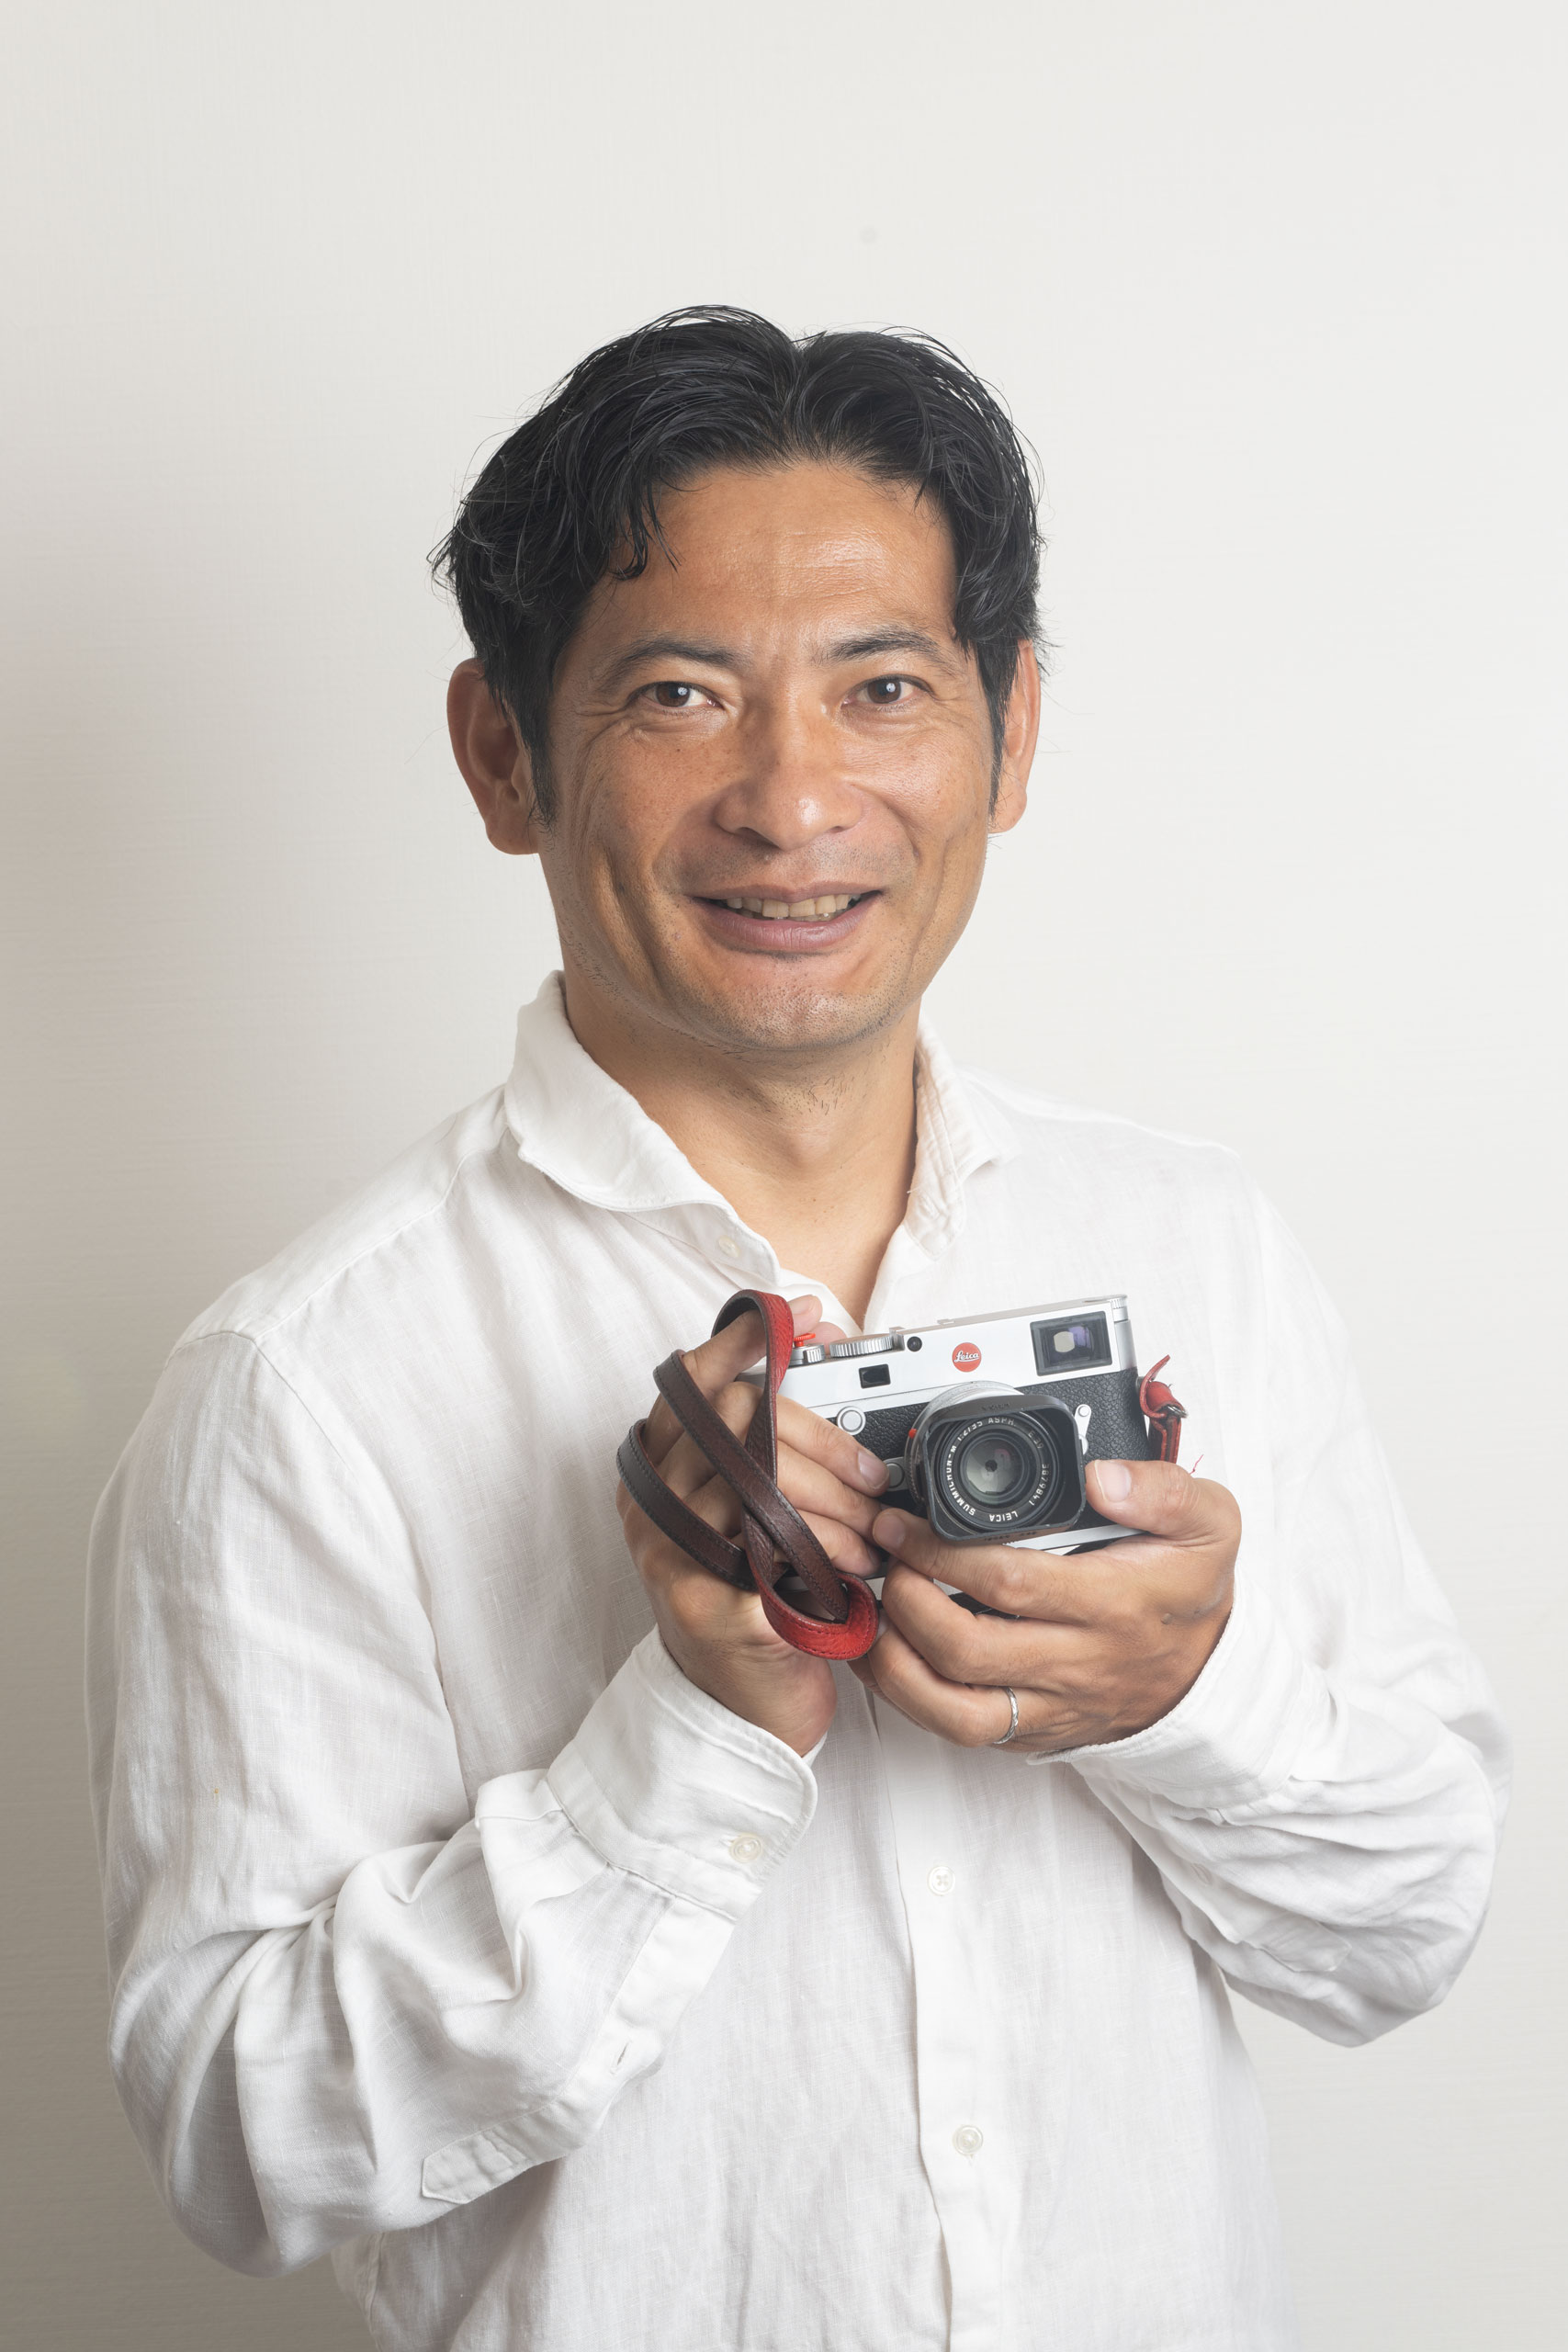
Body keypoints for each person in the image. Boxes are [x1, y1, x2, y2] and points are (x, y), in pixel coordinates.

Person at [86, 308, 1507, 2352]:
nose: (793, 796)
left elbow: (1405, 1931)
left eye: (882, 687)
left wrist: (1185, 1693)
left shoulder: (1200, 1243)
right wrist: (693, 1728)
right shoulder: (305, 1382)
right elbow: (243, 2145)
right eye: (679, 693)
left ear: (1011, 733)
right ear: (504, 753)